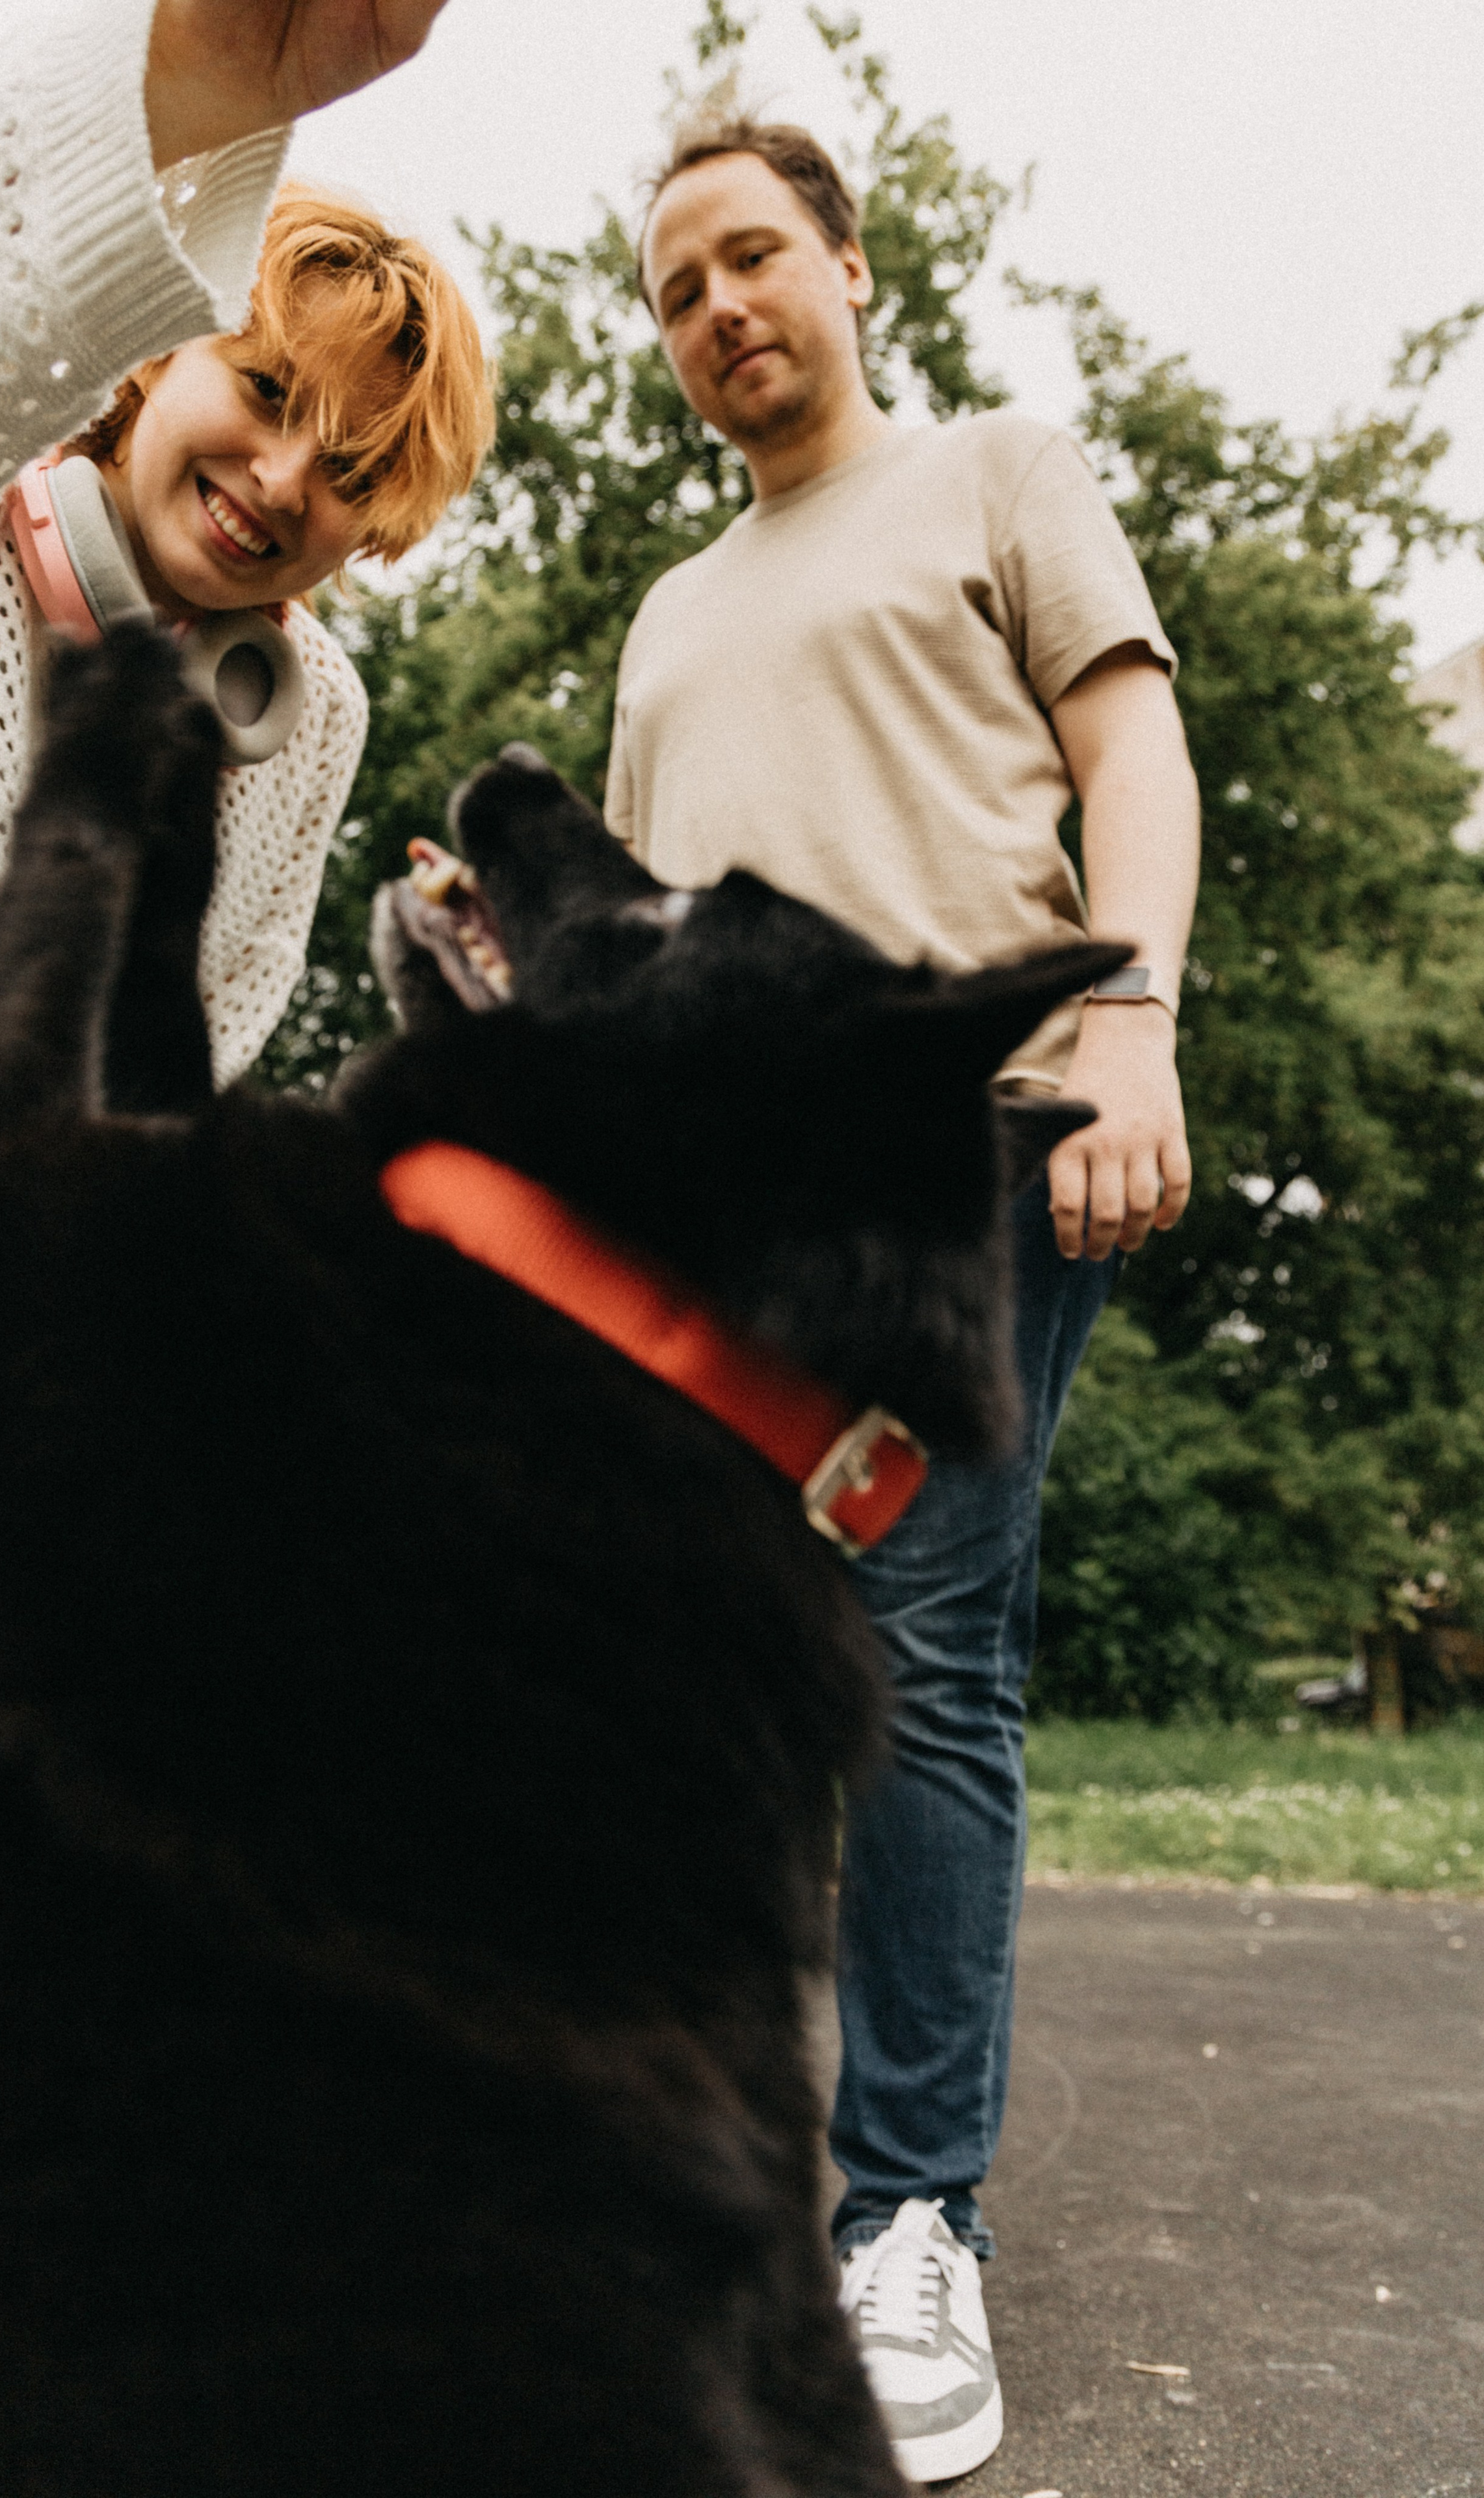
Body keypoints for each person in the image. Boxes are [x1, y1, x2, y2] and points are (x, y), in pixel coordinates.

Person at [611, 119, 1200, 2485]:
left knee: (934, 1655)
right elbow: (662, 939)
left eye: (754, 255)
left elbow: (1131, 745)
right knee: (721, 1681)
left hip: (981, 1129)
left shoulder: (995, 472)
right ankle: (725, 2176)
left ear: (848, 266)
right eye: (674, 289)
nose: (720, 304)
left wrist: (1139, 1016)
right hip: (737, 1201)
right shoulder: (666, 616)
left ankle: (914, 2223)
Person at [0, 0, 496, 1548]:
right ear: (153, 341)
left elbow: (224, 1014)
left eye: (347, 473)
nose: (280, 483)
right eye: (265, 394)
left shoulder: (306, 708)